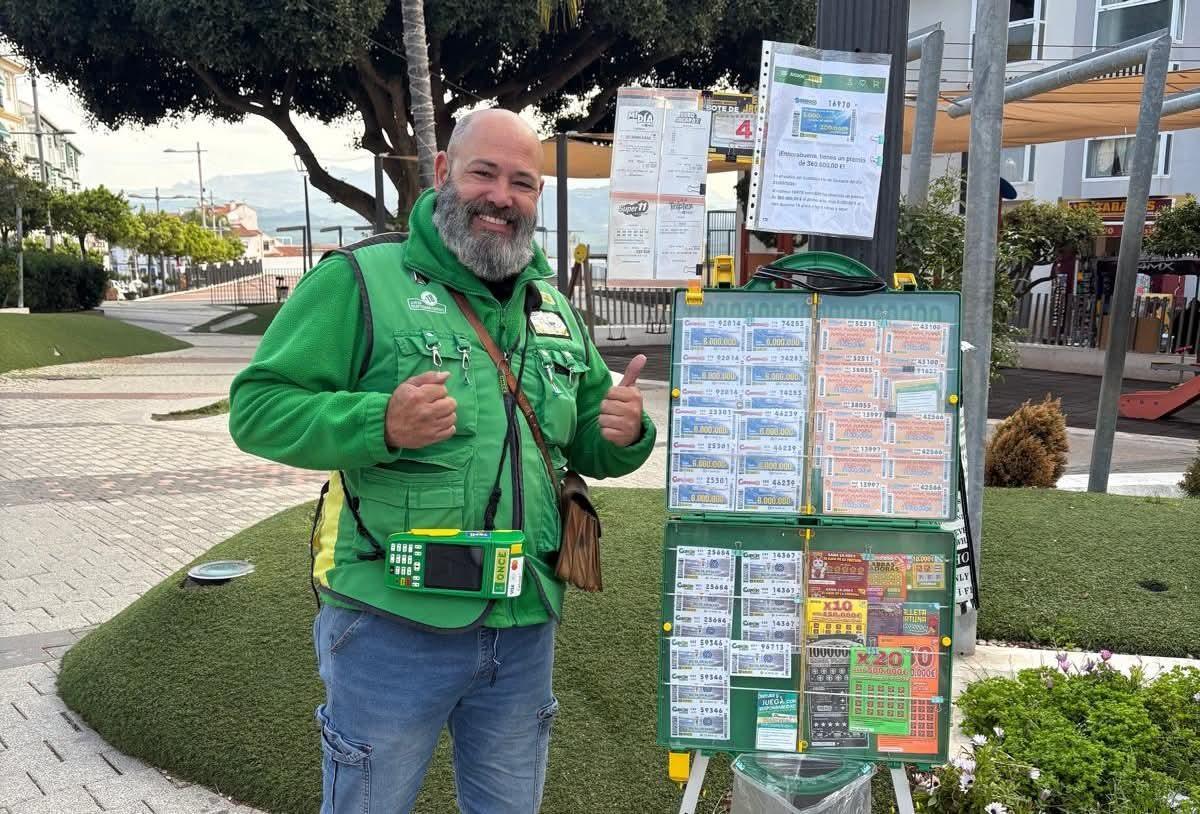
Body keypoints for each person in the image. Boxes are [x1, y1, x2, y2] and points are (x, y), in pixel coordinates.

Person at [228, 108, 656, 813]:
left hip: (523, 629)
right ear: (442, 173)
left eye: (523, 182)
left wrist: (620, 430)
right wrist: (380, 423)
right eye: (484, 172)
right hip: (390, 626)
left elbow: (579, 440)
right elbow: (258, 408)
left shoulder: (551, 304)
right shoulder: (361, 279)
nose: (502, 196)